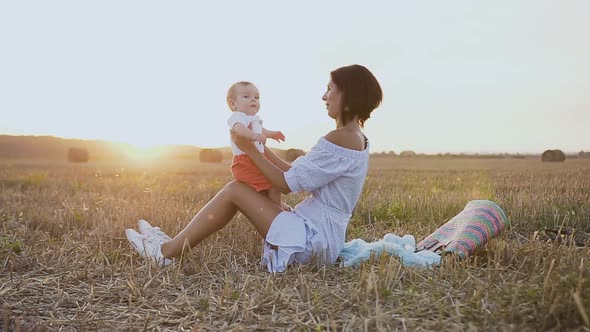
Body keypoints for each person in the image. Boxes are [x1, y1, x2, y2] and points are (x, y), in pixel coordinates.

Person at [125, 64, 383, 272]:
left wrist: (248, 149)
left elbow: (285, 184)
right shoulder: (353, 136)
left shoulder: (340, 138)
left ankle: (164, 253)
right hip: (320, 235)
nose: (324, 96)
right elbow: (294, 174)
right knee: (244, 190)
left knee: (235, 190)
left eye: (330, 89)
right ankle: (170, 246)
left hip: (313, 242)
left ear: (348, 94)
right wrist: (260, 147)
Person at [226, 81, 285, 205]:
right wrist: (252, 135)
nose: (253, 100)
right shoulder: (238, 117)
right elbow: (239, 129)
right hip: (245, 162)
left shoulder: (253, 119)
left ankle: (274, 208)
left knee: (270, 186)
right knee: (273, 184)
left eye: (256, 97)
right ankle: (277, 210)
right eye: (246, 96)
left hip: (255, 160)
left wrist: (272, 134)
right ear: (233, 104)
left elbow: (261, 130)